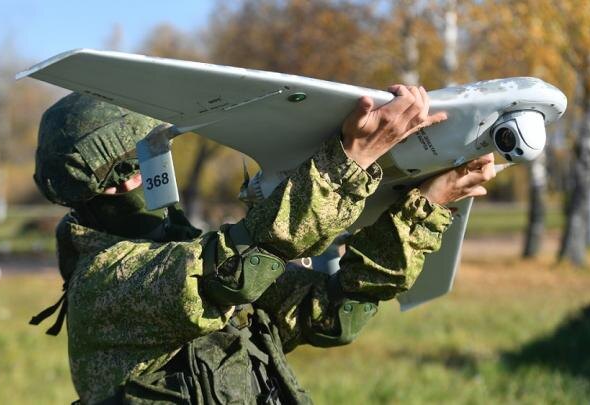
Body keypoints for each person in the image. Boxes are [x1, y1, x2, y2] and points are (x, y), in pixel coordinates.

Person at [30, 86, 496, 404]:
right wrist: (352, 160)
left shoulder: (178, 253)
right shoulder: (107, 279)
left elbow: (335, 314)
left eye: (147, 159)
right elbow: (235, 270)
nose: (140, 180)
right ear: (81, 197)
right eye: (118, 174)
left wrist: (426, 205)